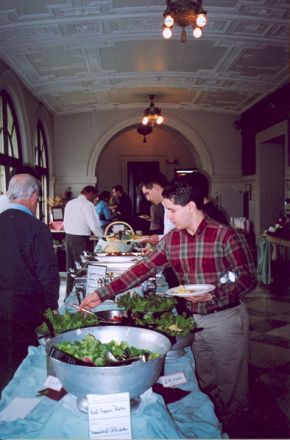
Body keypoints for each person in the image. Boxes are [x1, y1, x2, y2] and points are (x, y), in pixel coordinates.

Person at [80, 177, 256, 431]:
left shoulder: (227, 236)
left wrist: (216, 294)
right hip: (195, 321)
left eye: (172, 210)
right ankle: (212, 426)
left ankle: (235, 429)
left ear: (191, 206)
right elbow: (141, 269)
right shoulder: (173, 239)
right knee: (205, 380)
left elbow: (248, 278)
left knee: (232, 383)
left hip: (224, 318)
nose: (169, 217)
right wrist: (103, 293)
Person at [0, 174, 60, 394]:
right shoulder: (37, 228)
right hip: (24, 309)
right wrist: (51, 308)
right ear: (34, 196)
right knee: (23, 368)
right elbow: (47, 274)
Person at [64, 185, 103, 295]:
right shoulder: (87, 204)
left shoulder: (70, 203)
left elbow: (66, 221)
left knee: (71, 269)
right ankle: (80, 296)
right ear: (90, 193)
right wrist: (102, 237)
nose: (94, 198)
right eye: (94, 196)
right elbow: (94, 225)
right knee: (82, 269)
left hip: (68, 237)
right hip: (79, 239)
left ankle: (69, 295)